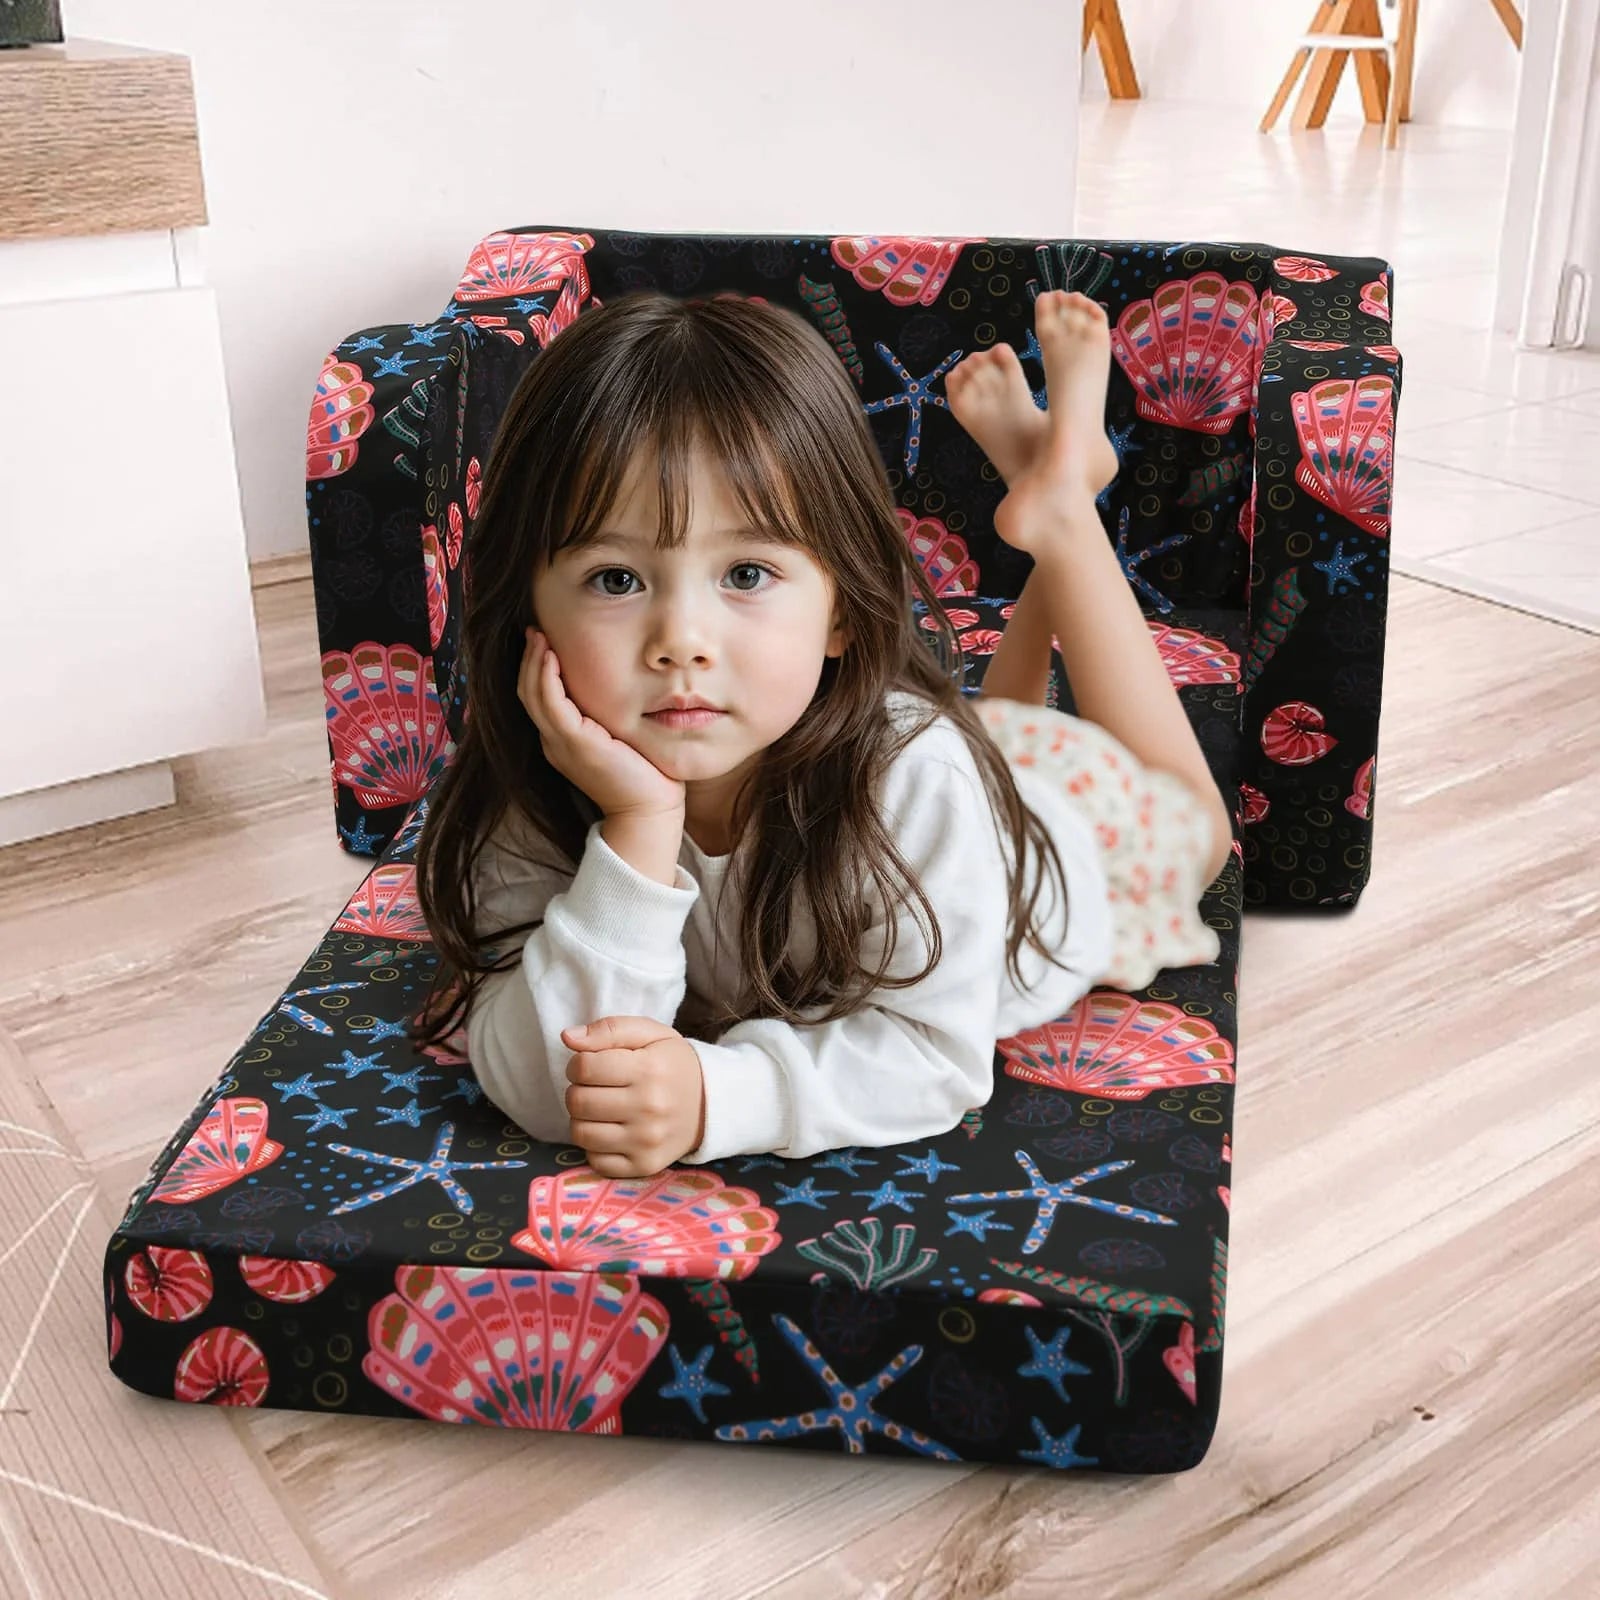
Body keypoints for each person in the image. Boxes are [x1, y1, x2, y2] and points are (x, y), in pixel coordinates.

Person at [408, 286, 1233, 1180]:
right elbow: (548, 1083)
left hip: (1064, 854)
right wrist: (637, 832)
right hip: (969, 771)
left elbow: (936, 1059)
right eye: (615, 580)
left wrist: (721, 1095)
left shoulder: (919, 782)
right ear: (527, 605)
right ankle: (1054, 487)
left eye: (748, 572)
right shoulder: (543, 777)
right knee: (998, 728)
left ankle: (1067, 515)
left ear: (841, 608)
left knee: (1196, 831)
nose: (682, 641)